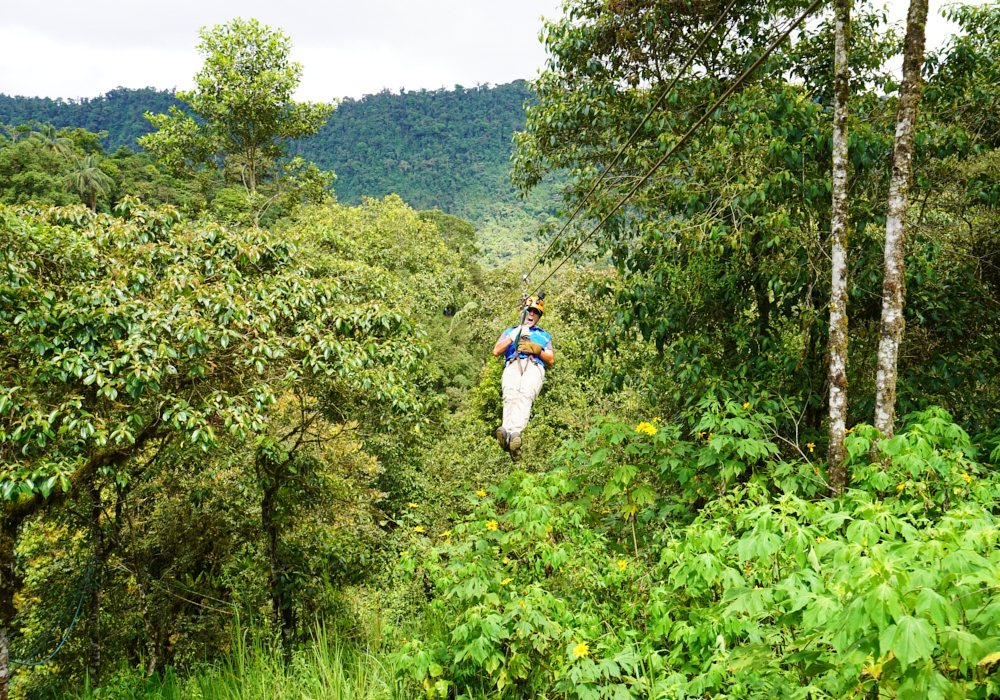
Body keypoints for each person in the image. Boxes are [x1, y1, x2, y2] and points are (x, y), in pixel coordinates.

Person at [492, 295, 554, 461]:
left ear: (539, 317)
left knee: (525, 395)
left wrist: (536, 350)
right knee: (510, 395)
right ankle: (507, 436)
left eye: (536, 313)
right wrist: (514, 336)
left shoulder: (543, 336)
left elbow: (551, 360)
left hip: (534, 365)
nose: (531, 315)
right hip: (513, 363)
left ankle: (515, 434)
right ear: (523, 312)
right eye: (529, 311)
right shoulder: (510, 331)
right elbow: (496, 351)